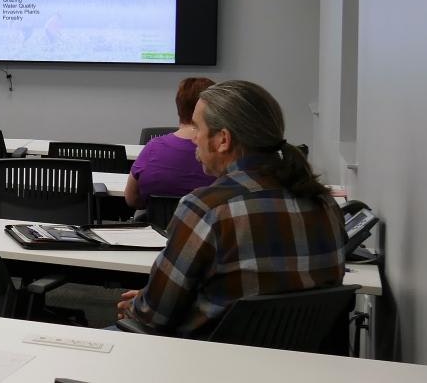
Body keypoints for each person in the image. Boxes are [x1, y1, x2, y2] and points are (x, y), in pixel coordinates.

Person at [115, 80, 345, 337]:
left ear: (223, 140)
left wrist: (139, 305)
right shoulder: (325, 204)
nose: (195, 139)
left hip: (205, 361)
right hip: (299, 363)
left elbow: (154, 316)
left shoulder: (206, 208)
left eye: (198, 128)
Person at [123, 77, 217, 209]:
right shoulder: (221, 154)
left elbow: (132, 199)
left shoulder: (153, 147)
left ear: (179, 104)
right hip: (206, 228)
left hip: (156, 228)